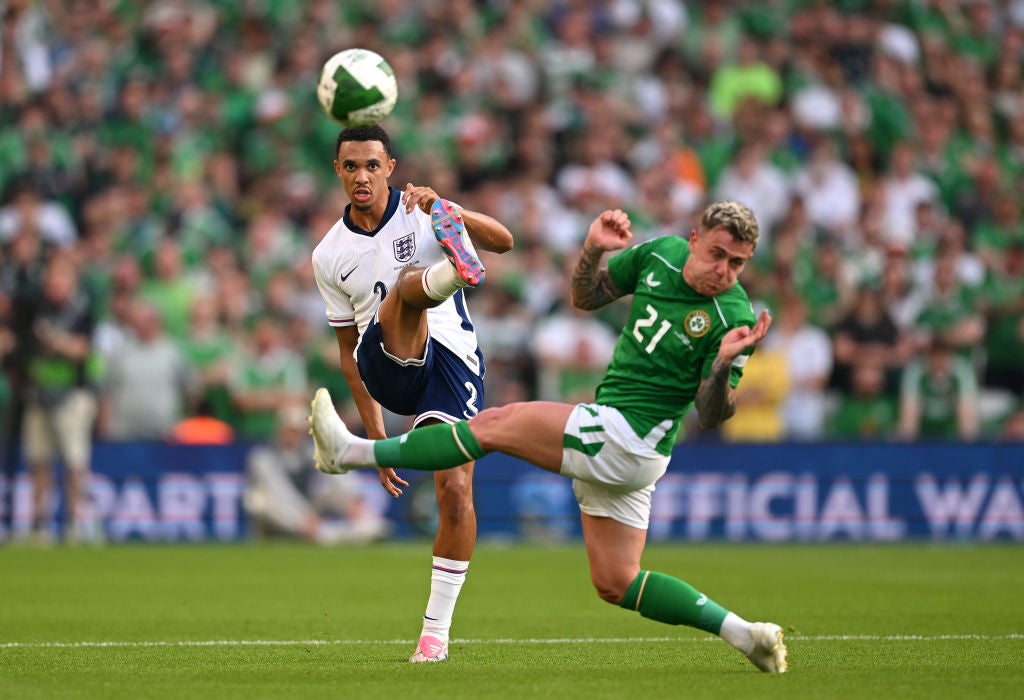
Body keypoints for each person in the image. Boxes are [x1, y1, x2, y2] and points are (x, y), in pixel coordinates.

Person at [310, 202, 787, 673]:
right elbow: (586, 297)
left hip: (629, 437)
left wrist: (724, 363)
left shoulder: (732, 314)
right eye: (718, 255)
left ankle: (350, 452)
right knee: (617, 582)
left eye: (737, 264)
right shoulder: (658, 254)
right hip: (628, 445)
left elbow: (711, 412)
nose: (724, 271)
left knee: (493, 425)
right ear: (694, 240)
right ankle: (745, 634)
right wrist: (593, 250)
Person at [309, 125, 514, 662]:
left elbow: (506, 240)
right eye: (350, 166)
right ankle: (452, 275)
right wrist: (374, 433)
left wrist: (452, 211)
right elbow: (344, 345)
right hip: (383, 362)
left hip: (451, 365)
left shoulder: (424, 210)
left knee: (454, 491)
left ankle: (434, 635)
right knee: (405, 289)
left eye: (371, 166)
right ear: (338, 171)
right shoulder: (328, 255)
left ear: (390, 168)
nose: (361, 176)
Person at [244, 404, 388, 544]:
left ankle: (345, 530)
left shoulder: (310, 452)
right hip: (283, 519)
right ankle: (323, 534)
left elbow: (337, 473)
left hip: (310, 516)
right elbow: (280, 490)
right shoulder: (263, 457)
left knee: (327, 487)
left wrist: (352, 500)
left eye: (298, 431)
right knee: (259, 500)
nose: (294, 436)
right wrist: (305, 518)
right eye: (290, 430)